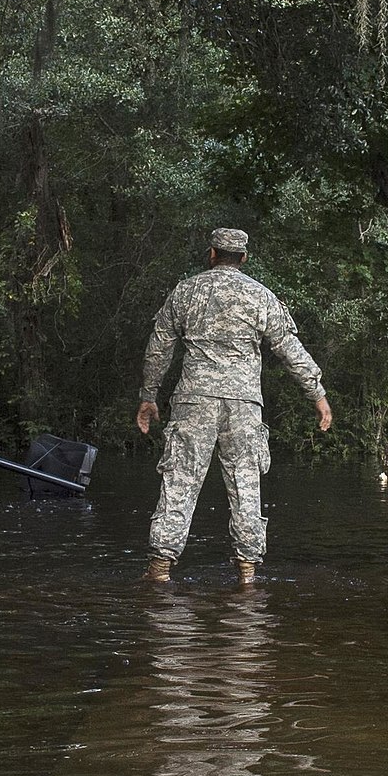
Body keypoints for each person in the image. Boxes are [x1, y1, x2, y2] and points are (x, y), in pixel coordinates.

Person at [136, 228, 331, 585]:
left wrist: (149, 396)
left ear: (212, 254)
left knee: (179, 483)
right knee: (246, 487)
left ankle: (159, 571)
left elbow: (159, 346)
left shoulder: (186, 292)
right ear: (243, 258)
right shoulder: (260, 296)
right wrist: (316, 394)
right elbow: (289, 350)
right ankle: (247, 575)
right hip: (243, 406)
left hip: (194, 401)